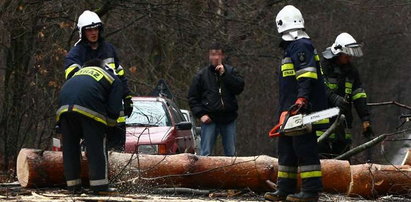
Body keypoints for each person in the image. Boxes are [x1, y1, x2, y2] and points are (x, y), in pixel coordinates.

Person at [264, 5, 328, 201]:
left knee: (304, 148)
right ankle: (284, 188)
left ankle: (310, 191)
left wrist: (302, 99)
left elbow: (306, 75)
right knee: (286, 149)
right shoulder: (290, 48)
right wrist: (285, 109)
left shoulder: (301, 46)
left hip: (302, 107)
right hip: (289, 108)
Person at [64, 10, 133, 151]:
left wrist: (127, 98)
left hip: (114, 106)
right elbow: (72, 79)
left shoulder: (109, 49)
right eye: (89, 30)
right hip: (91, 106)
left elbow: (120, 75)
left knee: (117, 152)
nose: (93, 33)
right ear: (82, 32)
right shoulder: (76, 54)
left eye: (95, 29)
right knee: (91, 151)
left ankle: (117, 171)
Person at [56, 59, 123, 194]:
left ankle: (73, 186)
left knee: (70, 148)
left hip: (63, 109)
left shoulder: (77, 74)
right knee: (96, 147)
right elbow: (115, 109)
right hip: (89, 107)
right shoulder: (112, 78)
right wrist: (109, 127)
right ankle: (100, 186)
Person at [318, 32, 373, 158]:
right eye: (346, 55)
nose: (349, 58)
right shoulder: (322, 68)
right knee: (324, 163)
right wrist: (334, 98)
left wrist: (365, 119)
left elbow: (359, 96)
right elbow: (318, 88)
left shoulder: (351, 72)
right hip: (323, 123)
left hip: (343, 125)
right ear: (338, 52)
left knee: (343, 166)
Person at [188, 43, 244, 156]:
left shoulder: (231, 71)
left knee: (231, 154)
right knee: (205, 153)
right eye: (213, 54)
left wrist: (225, 75)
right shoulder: (201, 75)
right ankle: (204, 174)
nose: (216, 57)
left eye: (218, 54)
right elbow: (192, 97)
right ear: (209, 56)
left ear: (222, 56)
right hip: (210, 119)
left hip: (228, 118)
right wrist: (201, 114)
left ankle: (231, 174)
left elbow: (239, 88)